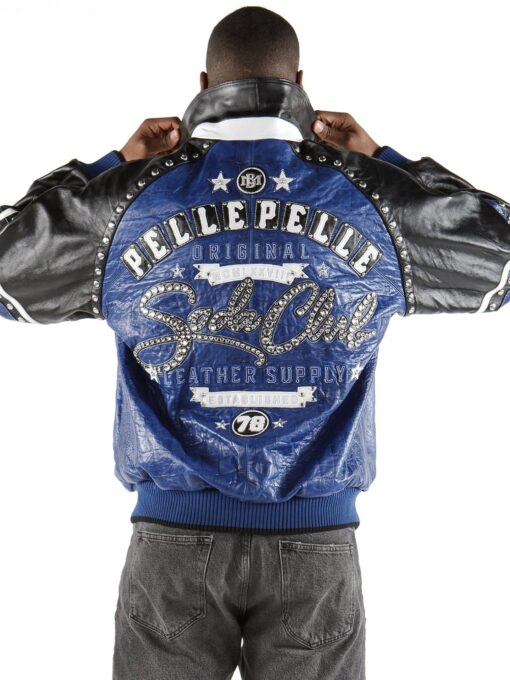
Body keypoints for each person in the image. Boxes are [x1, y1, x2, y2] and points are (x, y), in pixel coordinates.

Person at [1, 6, 509, 680]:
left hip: (172, 543)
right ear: (298, 82)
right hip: (318, 545)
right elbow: (501, 253)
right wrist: (382, 162)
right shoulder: (370, 200)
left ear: (204, 83)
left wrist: (111, 168)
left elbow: (7, 267)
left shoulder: (129, 202)